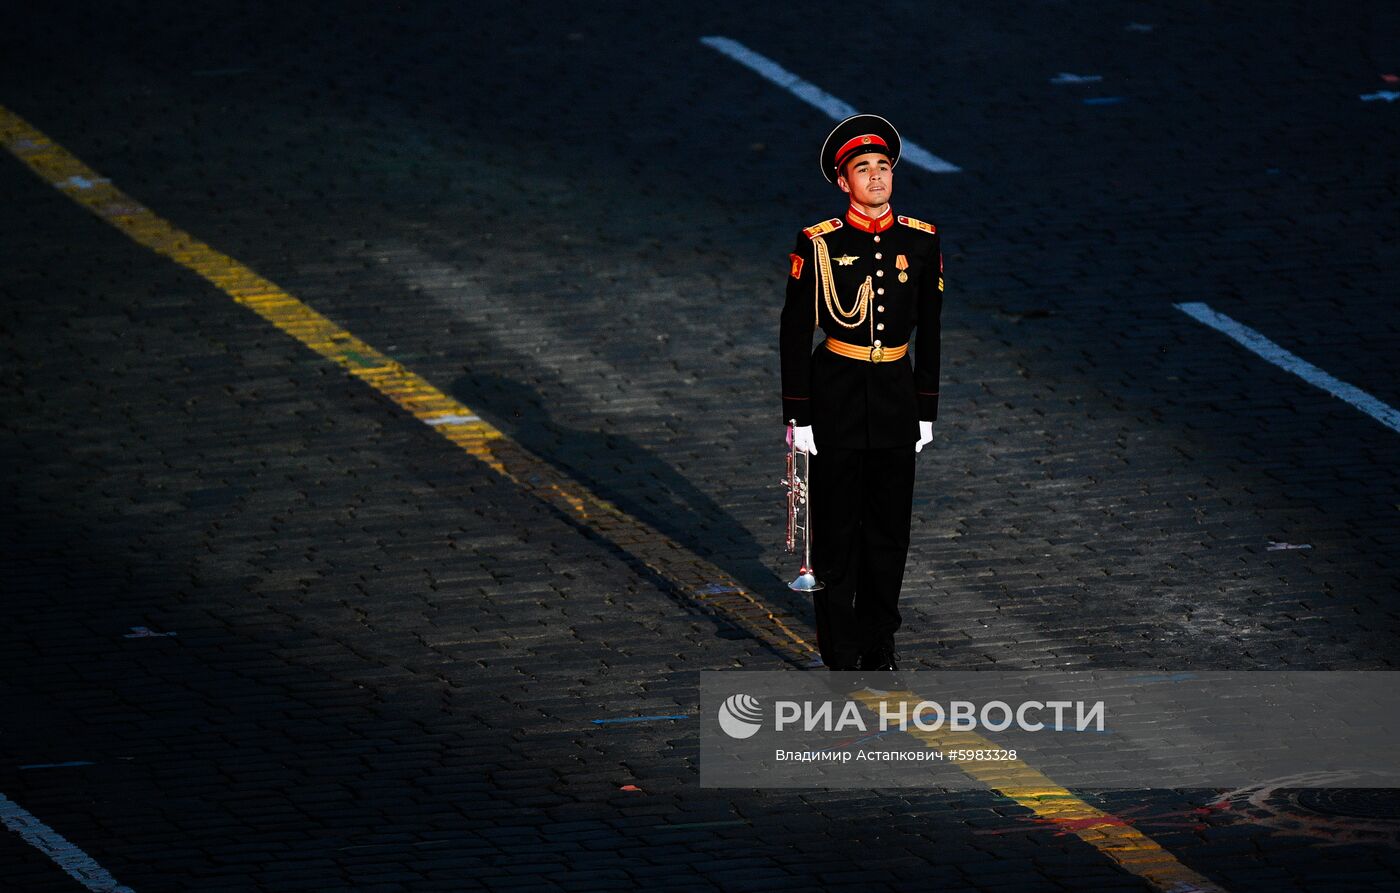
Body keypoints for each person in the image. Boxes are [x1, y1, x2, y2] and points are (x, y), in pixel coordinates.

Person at [779, 113, 944, 671]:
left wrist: (926, 411)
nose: (876, 177)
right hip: (837, 398)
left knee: (889, 532)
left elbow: (933, 329)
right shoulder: (819, 243)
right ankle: (840, 646)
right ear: (843, 182)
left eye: (883, 167)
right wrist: (798, 417)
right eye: (862, 169)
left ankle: (879, 641)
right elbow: (795, 333)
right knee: (836, 532)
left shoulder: (921, 241)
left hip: (896, 398)